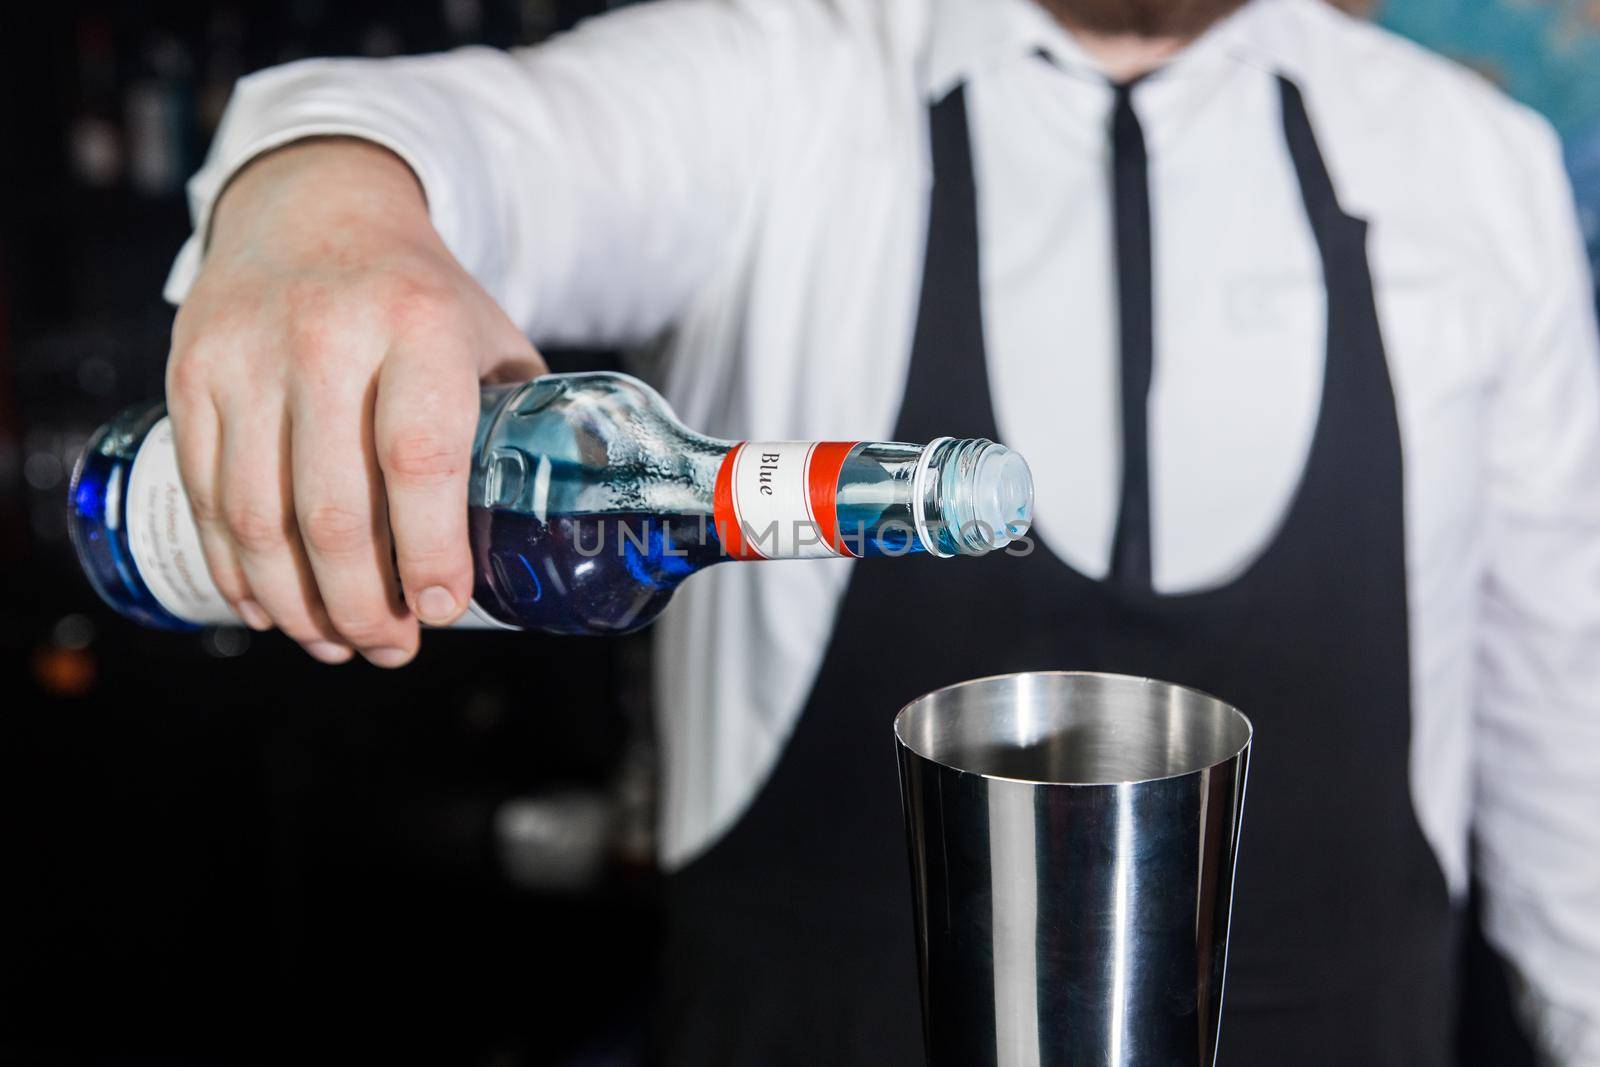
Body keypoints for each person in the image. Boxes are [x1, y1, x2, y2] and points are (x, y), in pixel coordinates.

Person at [159, 0, 1600, 1061]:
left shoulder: (1473, 164)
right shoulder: (787, 78)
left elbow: (1569, 728)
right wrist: (329, 200)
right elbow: (488, 133)